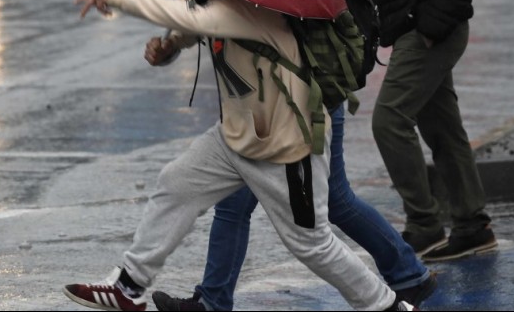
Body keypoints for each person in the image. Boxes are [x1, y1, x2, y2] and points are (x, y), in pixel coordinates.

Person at [64, 0, 416, 312]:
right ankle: (129, 285)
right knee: (176, 183)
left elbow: (192, 18)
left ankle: (386, 306)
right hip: (237, 137)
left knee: (312, 244)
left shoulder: (244, 6)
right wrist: (171, 48)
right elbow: (195, 22)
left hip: (286, 144)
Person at [330, 0, 495, 262]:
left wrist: (429, 30)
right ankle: (472, 226)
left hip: (430, 31)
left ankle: (424, 225)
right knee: (442, 127)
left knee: (389, 120)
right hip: (411, 27)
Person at [150, 105, 437, 312]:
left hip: (295, 106)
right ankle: (213, 300)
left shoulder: (282, 19)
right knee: (234, 205)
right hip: (270, 105)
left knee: (327, 213)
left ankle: (402, 280)